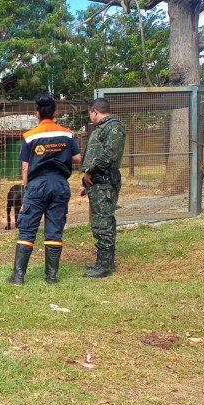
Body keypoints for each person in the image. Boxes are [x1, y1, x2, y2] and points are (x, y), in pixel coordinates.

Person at [8, 93, 81, 285]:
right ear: (55, 113)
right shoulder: (66, 133)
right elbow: (77, 158)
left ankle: (18, 276)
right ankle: (51, 276)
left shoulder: (30, 136)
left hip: (36, 185)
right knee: (54, 230)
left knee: (27, 229)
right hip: (59, 184)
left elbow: (24, 167)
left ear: (37, 114)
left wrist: (26, 193)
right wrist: (59, 154)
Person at [78, 98, 126, 278]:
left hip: (105, 182)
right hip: (97, 183)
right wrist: (86, 183)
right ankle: (103, 261)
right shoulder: (102, 128)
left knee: (103, 223)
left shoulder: (113, 127)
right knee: (100, 222)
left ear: (95, 111)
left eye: (90, 113)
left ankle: (105, 265)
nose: (90, 116)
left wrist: (90, 170)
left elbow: (110, 155)